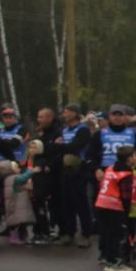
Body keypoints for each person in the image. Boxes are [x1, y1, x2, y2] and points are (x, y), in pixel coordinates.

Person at [51, 103, 97, 247]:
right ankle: (69, 233)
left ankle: (86, 234)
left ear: (74, 114)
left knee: (81, 202)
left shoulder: (83, 130)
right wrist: (59, 146)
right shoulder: (64, 130)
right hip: (65, 169)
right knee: (67, 202)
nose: (64, 115)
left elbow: (76, 146)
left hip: (79, 169)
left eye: (67, 112)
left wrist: (60, 146)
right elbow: (59, 147)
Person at [93, 145, 136, 271]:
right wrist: (126, 212)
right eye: (135, 156)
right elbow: (126, 195)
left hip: (101, 202)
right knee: (117, 234)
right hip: (114, 205)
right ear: (129, 159)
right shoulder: (126, 173)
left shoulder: (110, 168)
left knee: (106, 232)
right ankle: (115, 261)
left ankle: (106, 257)